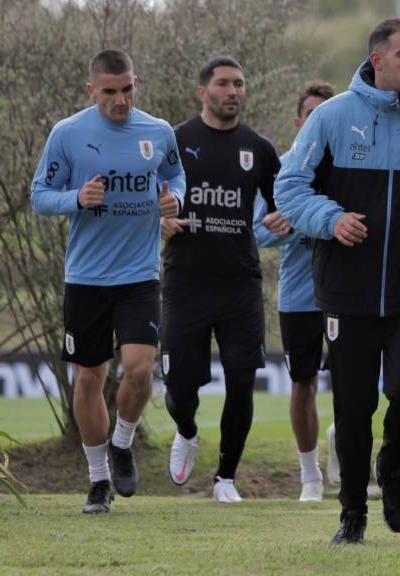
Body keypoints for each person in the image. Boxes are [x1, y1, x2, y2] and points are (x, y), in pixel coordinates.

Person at [275, 18, 400, 544]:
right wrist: (330, 219)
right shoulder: (331, 117)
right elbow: (290, 187)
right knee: (353, 407)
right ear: (377, 60)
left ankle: (390, 467)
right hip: (348, 292)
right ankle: (352, 514)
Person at [30, 49, 185, 514]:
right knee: (88, 378)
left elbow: (176, 174)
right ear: (91, 90)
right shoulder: (68, 134)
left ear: (137, 83)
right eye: (110, 91)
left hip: (139, 274)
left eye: (127, 89)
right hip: (86, 277)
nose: (120, 100)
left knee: (139, 368)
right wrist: (76, 198)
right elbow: (40, 196)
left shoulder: (158, 132)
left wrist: (175, 198)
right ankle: (98, 480)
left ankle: (122, 442)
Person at [159, 56, 280, 504]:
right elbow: (146, 194)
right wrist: (158, 219)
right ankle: (187, 431)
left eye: (239, 84)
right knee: (178, 386)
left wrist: (286, 214)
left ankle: (225, 478)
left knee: (242, 380)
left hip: (240, 283)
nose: (233, 91)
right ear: (202, 91)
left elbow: (285, 198)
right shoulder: (175, 140)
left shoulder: (258, 148)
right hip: (186, 279)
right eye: (224, 83)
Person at [253, 81, 338, 502]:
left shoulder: (350, 165)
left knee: (354, 384)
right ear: (297, 122)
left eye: (325, 116)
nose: (316, 123)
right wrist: (286, 225)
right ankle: (310, 477)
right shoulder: (283, 169)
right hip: (299, 297)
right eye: (310, 116)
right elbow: (257, 232)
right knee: (302, 383)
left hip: (345, 295)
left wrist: (305, 217)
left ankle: (342, 439)